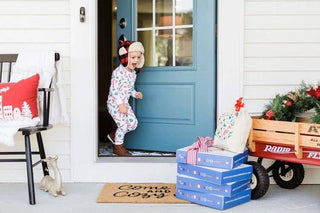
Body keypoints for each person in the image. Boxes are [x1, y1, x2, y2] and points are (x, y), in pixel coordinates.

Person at [106, 40, 145, 156]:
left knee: (133, 124)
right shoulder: (118, 72)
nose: (136, 60)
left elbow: (129, 89)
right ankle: (118, 147)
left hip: (124, 103)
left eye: (138, 57)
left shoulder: (133, 73)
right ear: (125, 57)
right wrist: (120, 104)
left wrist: (135, 94)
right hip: (114, 103)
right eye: (133, 57)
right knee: (123, 125)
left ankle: (114, 135)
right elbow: (114, 90)